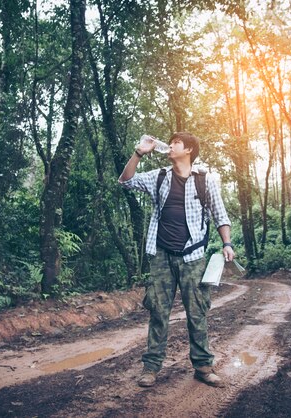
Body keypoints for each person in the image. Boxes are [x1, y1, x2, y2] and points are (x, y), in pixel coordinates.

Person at [118, 132, 235, 388]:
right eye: (170, 142)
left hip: (193, 257)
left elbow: (220, 215)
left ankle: (203, 367)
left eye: (176, 143)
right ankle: (151, 368)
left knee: (197, 312)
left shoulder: (205, 181)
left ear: (189, 149)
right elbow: (125, 181)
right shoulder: (159, 176)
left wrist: (227, 244)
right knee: (158, 312)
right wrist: (139, 152)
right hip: (161, 256)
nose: (170, 146)